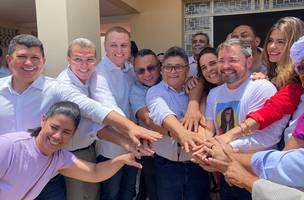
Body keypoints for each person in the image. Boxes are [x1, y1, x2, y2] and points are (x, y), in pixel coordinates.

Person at [0, 34, 161, 200]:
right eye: (21, 57)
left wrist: (131, 131)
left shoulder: (55, 88)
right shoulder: (63, 83)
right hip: (7, 173)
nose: (28, 63)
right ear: (9, 60)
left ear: (43, 61)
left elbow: (92, 109)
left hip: (49, 172)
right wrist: (129, 132)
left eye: (35, 57)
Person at [0, 101, 142, 200]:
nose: (57, 136)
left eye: (66, 132)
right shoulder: (9, 146)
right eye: (54, 127)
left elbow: (94, 172)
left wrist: (122, 160)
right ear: (43, 120)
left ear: (73, 134)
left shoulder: (59, 158)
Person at [203, 38, 289, 200]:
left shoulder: (261, 87)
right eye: (221, 60)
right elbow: (210, 129)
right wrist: (207, 148)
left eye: (233, 60)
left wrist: (222, 148)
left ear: (249, 61)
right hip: (227, 173)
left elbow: (269, 136)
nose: (226, 66)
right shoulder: (214, 94)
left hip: (257, 177)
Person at [215, 17, 304, 145]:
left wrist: (230, 134)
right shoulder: (272, 74)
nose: (272, 46)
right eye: (271, 41)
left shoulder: (297, 79)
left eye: (281, 42)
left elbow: (272, 110)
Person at [146, 47, 212, 200]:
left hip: (196, 163)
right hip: (166, 165)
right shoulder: (155, 92)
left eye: (178, 67)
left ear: (187, 69)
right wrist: (183, 133)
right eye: (168, 67)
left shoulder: (195, 88)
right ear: (162, 70)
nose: (173, 71)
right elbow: (162, 113)